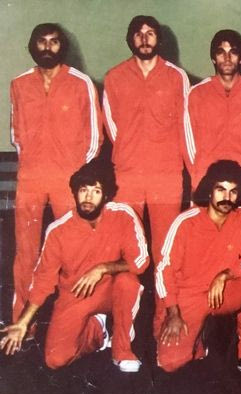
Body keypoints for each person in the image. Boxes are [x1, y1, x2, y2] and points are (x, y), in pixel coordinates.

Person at [0, 159, 149, 372]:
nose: (88, 197)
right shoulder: (58, 230)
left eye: (96, 191)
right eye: (83, 190)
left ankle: (121, 350)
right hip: (76, 293)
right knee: (56, 359)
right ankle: (98, 330)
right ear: (75, 193)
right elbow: (43, 281)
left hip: (112, 289)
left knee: (128, 282)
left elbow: (141, 261)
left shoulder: (123, 215)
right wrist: (23, 322)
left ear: (106, 196)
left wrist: (102, 268)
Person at [10, 23, 102, 326]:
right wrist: (31, 164)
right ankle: (22, 323)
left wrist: (77, 177)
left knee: (75, 249)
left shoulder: (81, 83)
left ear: (63, 47)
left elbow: (95, 136)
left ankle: (82, 322)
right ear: (32, 46)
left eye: (54, 42)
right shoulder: (19, 84)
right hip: (31, 179)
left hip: (69, 179)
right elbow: (16, 134)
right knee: (26, 253)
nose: (47, 47)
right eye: (42, 41)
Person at [155, 160, 241, 377]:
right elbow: (164, 269)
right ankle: (196, 337)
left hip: (223, 292)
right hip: (189, 295)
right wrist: (173, 312)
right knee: (170, 363)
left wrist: (226, 275)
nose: (227, 197)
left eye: (233, 191)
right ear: (209, 191)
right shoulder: (186, 222)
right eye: (221, 190)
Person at [103, 15, 189, 267]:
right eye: (138, 33)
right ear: (130, 39)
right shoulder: (114, 77)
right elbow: (112, 126)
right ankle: (128, 294)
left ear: (158, 39)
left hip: (166, 174)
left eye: (150, 33)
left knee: (165, 247)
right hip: (127, 173)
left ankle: (164, 295)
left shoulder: (176, 76)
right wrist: (129, 151)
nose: (144, 38)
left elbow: (185, 124)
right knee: (126, 243)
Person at [186, 30, 241, 210]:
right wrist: (200, 175)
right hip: (205, 184)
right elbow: (188, 142)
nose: (227, 58)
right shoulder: (196, 94)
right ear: (213, 58)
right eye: (221, 52)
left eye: (233, 52)